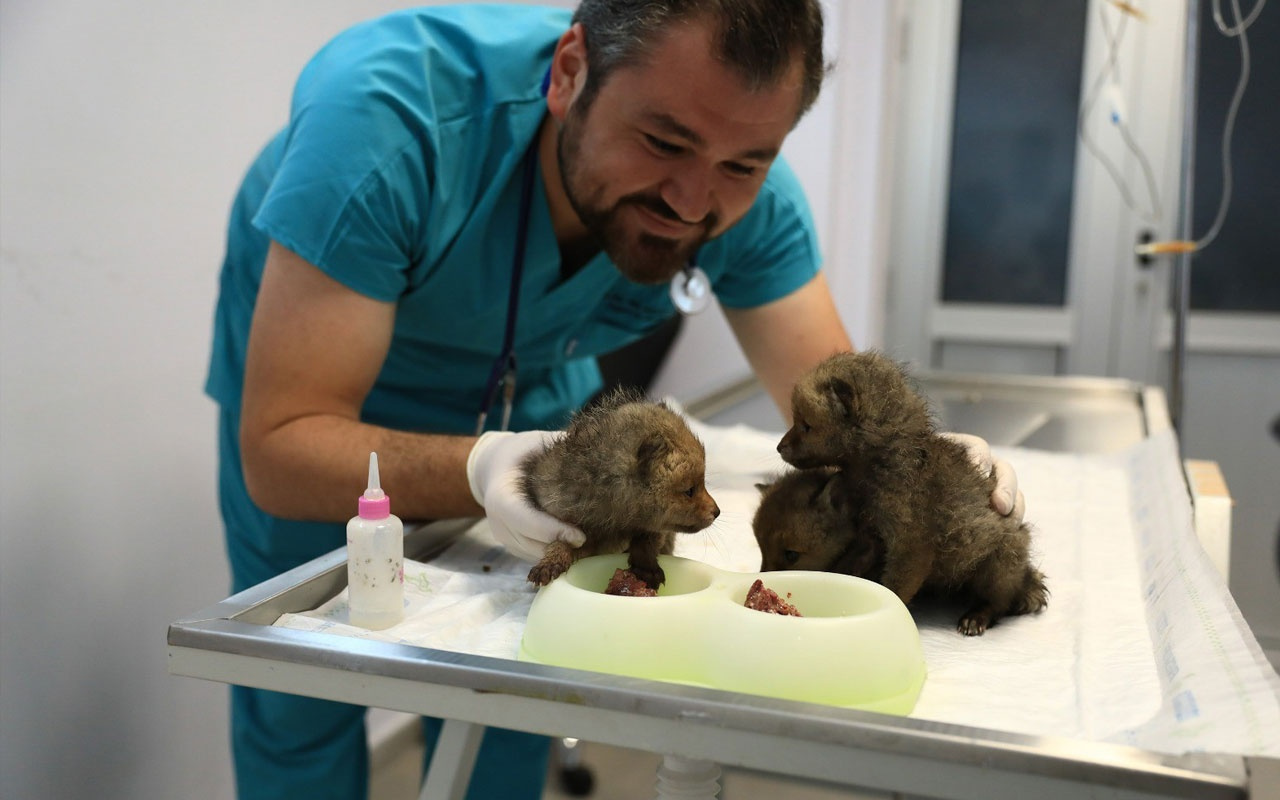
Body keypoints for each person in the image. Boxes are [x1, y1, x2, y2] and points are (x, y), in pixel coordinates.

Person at [206, 2, 1022, 798]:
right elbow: (282, 452)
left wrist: (926, 460)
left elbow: (845, 418)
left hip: (535, 388)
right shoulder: (386, 129)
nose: (694, 204)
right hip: (330, 419)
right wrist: (480, 462)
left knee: (518, 688)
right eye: (663, 142)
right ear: (569, 74)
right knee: (303, 691)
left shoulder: (749, 202)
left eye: (743, 164)